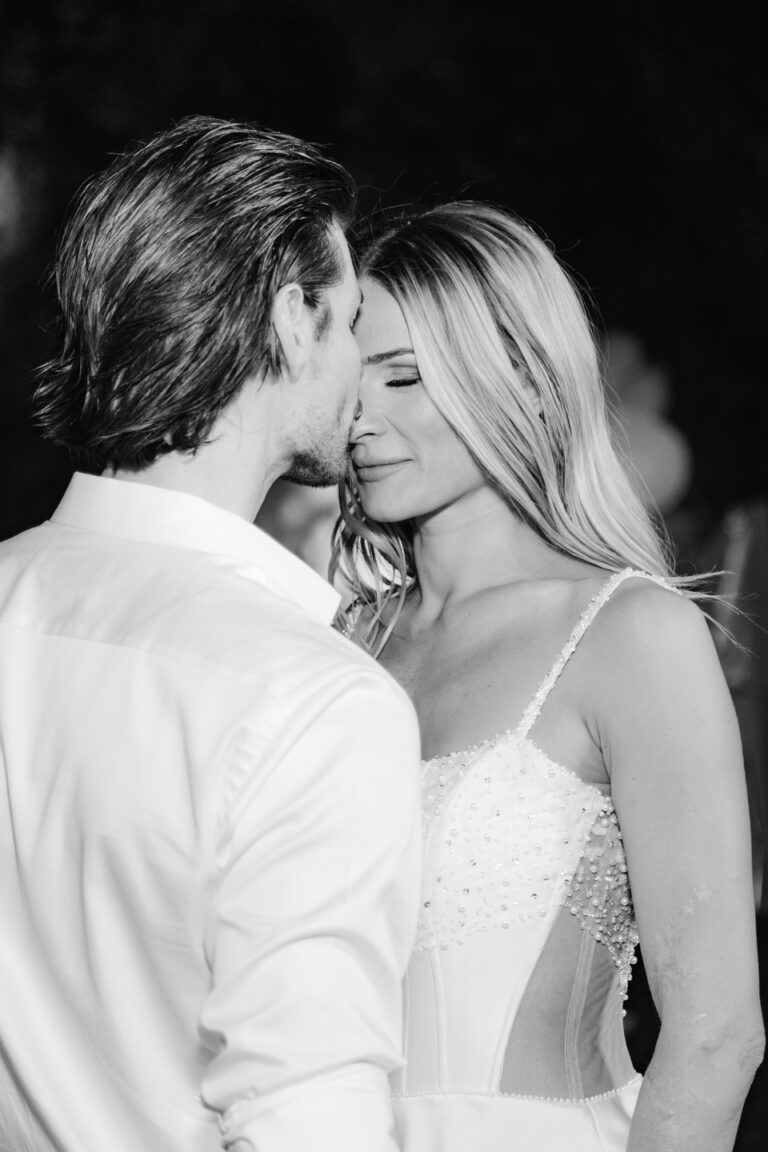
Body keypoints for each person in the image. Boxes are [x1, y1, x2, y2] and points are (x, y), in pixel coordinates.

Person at [0, 116, 423, 1152]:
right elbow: (306, 1118)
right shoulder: (312, 699)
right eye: (349, 321)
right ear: (292, 318)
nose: (358, 369)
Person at [332, 201, 764, 1152]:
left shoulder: (630, 636)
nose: (361, 418)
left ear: (521, 381)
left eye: (403, 377)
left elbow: (717, 1036)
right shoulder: (340, 637)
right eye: (348, 380)